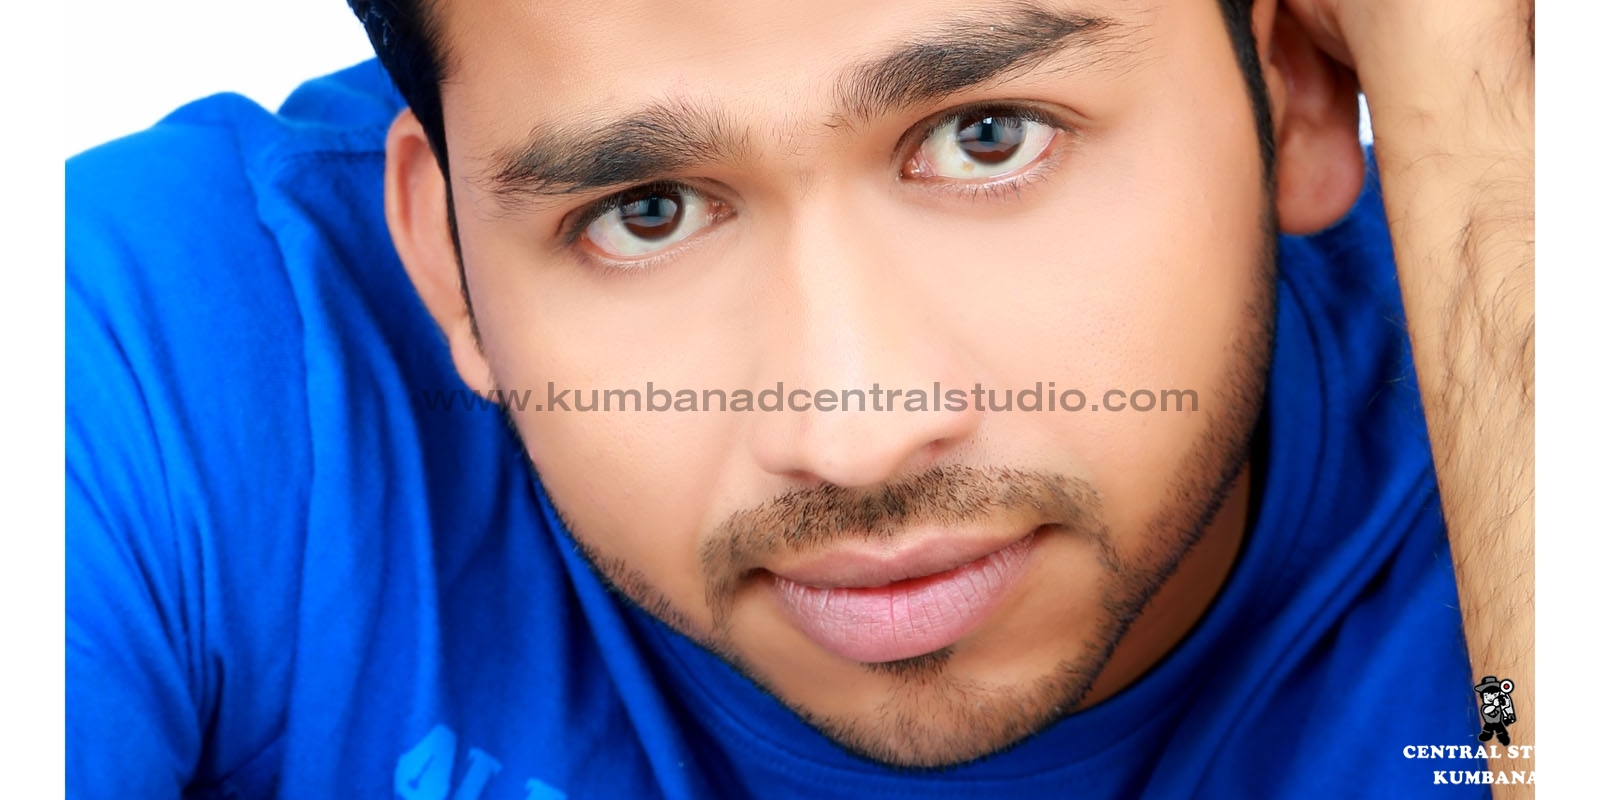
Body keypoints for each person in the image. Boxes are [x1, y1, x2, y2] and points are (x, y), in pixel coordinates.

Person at [66, 0, 1534, 797]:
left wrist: (1469, 132)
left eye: (988, 136)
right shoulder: (149, 350)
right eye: (644, 212)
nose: (856, 437)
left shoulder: (1521, 307)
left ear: (1290, 90)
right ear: (444, 257)